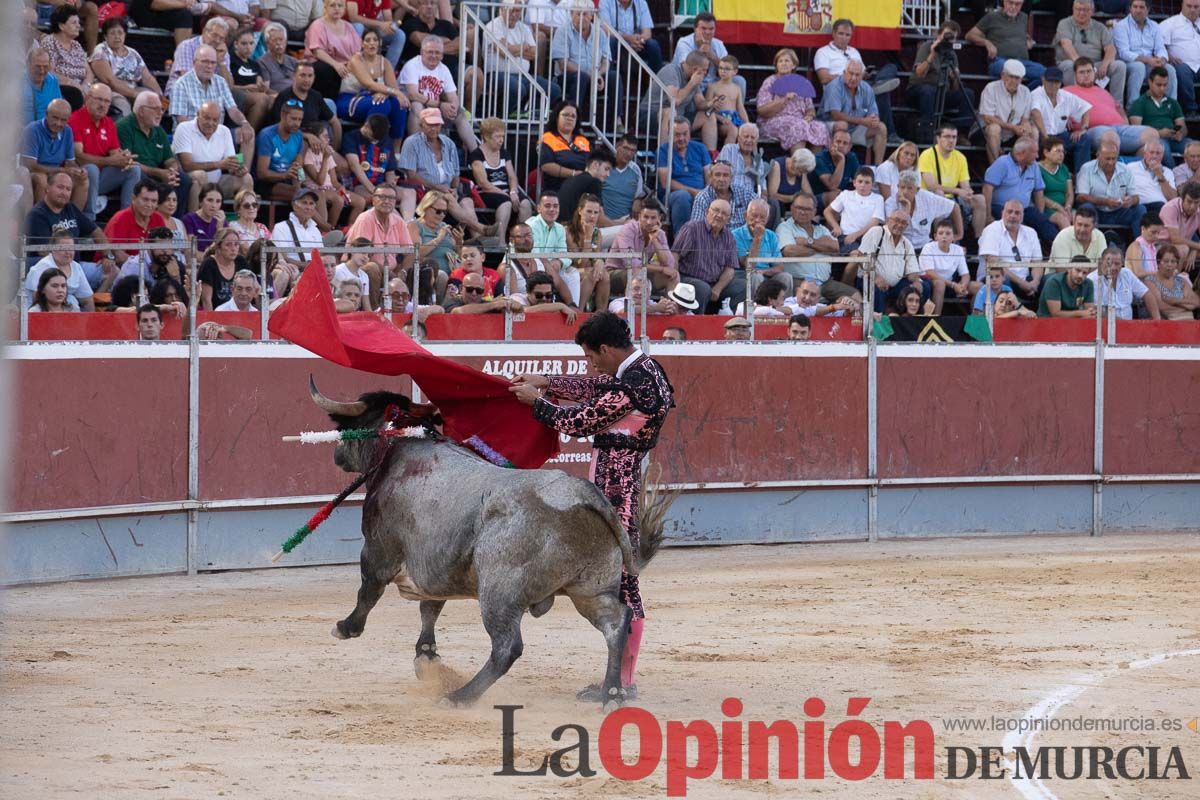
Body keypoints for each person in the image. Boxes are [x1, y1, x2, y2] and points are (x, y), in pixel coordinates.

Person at [509, 312, 674, 702]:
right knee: (621, 580)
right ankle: (620, 676)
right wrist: (548, 382)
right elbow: (595, 384)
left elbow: (581, 421)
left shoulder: (633, 386)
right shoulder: (643, 369)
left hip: (615, 489)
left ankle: (621, 680)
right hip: (620, 480)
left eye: (591, 355)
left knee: (621, 582)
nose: (591, 364)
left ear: (604, 348)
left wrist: (538, 402)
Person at [399, 107, 493, 240]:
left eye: (437, 125)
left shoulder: (449, 143)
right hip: (425, 189)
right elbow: (411, 175)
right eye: (430, 124)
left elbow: (455, 173)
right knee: (448, 198)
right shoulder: (411, 143)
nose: (434, 128)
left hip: (447, 189)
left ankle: (477, 242)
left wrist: (454, 188)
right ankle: (481, 228)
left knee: (467, 202)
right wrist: (436, 187)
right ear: (421, 125)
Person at [169, 45, 257, 165]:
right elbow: (182, 122)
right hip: (192, 136)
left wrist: (245, 123)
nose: (209, 66)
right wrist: (204, 134)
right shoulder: (181, 84)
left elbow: (233, 110)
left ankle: (241, 170)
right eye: (205, 62)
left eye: (213, 63)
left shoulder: (220, 82)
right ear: (194, 62)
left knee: (248, 134)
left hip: (216, 134)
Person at [813, 18, 899, 135]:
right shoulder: (823, 52)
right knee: (882, 93)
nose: (844, 38)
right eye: (841, 34)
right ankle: (891, 132)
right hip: (839, 91)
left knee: (891, 67)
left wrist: (864, 74)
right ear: (833, 33)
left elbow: (862, 73)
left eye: (847, 35)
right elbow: (824, 78)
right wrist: (848, 77)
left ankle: (878, 83)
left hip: (860, 88)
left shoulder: (854, 52)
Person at [69, 83, 141, 219]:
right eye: (99, 99)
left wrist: (124, 159)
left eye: (107, 101)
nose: (103, 105)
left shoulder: (108, 123)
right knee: (91, 169)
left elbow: (115, 153)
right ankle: (89, 220)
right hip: (80, 178)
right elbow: (79, 157)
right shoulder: (75, 119)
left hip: (101, 178)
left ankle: (126, 218)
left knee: (134, 168)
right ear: (87, 99)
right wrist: (109, 161)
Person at [1066, 57, 1156, 160]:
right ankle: (1118, 167)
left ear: (1094, 72)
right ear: (1075, 75)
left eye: (1089, 71)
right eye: (1081, 72)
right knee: (1110, 137)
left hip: (1119, 128)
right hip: (1094, 130)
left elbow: (1118, 107)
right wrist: (1065, 117)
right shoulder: (1068, 91)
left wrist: (1124, 120)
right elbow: (1056, 108)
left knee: (1152, 135)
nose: (1086, 75)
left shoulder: (1102, 91)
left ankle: (1134, 168)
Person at [172, 101, 254, 210]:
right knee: (200, 176)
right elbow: (187, 165)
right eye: (207, 118)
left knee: (246, 178)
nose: (210, 123)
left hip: (217, 183)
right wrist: (219, 164)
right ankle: (194, 222)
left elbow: (231, 164)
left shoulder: (224, 131)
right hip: (190, 181)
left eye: (215, 120)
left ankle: (241, 222)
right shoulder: (184, 128)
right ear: (198, 114)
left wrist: (237, 169)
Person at [399, 36, 476, 150]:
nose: (434, 56)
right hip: (409, 106)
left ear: (442, 55)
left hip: (433, 106)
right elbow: (412, 94)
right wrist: (440, 105)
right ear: (421, 52)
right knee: (417, 105)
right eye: (430, 52)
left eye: (437, 53)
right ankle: (415, 150)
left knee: (459, 113)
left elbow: (453, 96)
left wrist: (453, 107)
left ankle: (476, 154)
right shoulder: (413, 65)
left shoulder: (443, 69)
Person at [847, 209, 927, 314]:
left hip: (894, 285)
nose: (899, 225)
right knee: (876, 290)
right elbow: (862, 259)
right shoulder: (876, 232)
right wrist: (876, 277)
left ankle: (907, 321)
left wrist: (916, 281)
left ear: (907, 226)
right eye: (896, 220)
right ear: (888, 220)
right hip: (869, 280)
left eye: (903, 223)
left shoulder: (906, 244)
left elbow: (912, 273)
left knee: (925, 287)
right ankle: (878, 324)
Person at [777, 193, 856, 299]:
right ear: (791, 208)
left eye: (807, 209)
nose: (802, 212)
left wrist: (808, 242)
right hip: (799, 282)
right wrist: (819, 248)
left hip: (825, 283)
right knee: (810, 300)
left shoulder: (822, 229)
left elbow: (835, 247)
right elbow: (789, 251)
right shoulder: (784, 227)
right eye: (799, 208)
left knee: (856, 296)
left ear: (814, 211)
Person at [336, 28, 409, 142]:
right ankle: (367, 143)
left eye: (375, 40)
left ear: (380, 43)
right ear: (361, 43)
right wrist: (392, 92)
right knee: (380, 103)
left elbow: (393, 88)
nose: (372, 43)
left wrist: (386, 93)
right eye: (367, 40)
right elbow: (369, 84)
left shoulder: (385, 62)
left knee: (398, 103)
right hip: (350, 98)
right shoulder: (356, 60)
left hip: (371, 98)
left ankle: (396, 151)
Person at [345, 183, 414, 303]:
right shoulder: (365, 219)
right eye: (382, 197)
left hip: (392, 271)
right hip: (360, 268)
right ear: (373, 200)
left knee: (427, 268)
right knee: (372, 268)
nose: (387, 201)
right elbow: (363, 256)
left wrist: (402, 272)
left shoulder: (398, 221)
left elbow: (410, 252)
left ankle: (417, 310)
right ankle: (373, 312)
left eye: (391, 198)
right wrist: (390, 274)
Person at [983, 137, 1060, 243]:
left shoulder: (1034, 167)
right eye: (1034, 152)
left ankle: (1060, 251)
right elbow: (987, 189)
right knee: (1012, 224)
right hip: (1002, 208)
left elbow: (1038, 192)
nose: (1037, 156)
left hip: (1025, 208)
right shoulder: (1002, 163)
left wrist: (1040, 214)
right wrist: (987, 215)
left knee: (1044, 224)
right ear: (1021, 153)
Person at [918, 124, 988, 239]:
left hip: (953, 197)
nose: (951, 140)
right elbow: (931, 186)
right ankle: (940, 239)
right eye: (947, 137)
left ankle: (978, 241)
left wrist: (968, 192)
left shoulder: (960, 157)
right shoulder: (927, 155)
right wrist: (958, 191)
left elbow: (965, 185)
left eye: (954, 137)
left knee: (980, 199)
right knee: (939, 194)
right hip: (930, 198)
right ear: (938, 138)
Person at [21, 99, 90, 212]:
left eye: (63, 120)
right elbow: (31, 166)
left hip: (55, 173)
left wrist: (77, 171)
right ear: (46, 114)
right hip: (33, 173)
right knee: (41, 178)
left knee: (82, 180)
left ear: (68, 119)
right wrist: (63, 170)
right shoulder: (32, 130)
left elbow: (70, 162)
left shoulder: (67, 131)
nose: (58, 123)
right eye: (55, 118)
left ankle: (73, 221)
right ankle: (43, 220)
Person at [1056, 0, 1127, 108]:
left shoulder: (1099, 27)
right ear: (1073, 9)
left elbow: (1110, 48)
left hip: (1094, 65)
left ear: (1092, 11)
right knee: (1069, 65)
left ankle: (1117, 107)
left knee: (1119, 66)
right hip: (1072, 63)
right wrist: (1080, 64)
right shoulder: (1064, 23)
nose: (1081, 13)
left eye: (1085, 10)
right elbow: (1066, 44)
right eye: (1078, 9)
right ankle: (1075, 106)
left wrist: (1105, 63)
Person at [674, 198, 741, 312]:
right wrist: (675, 282)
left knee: (742, 286)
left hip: (715, 282)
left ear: (729, 219)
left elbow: (730, 269)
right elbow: (675, 255)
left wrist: (718, 288)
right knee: (703, 288)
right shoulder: (692, 228)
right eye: (715, 210)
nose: (719, 215)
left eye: (724, 214)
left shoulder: (729, 237)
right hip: (688, 278)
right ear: (707, 212)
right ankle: (697, 323)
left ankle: (734, 323)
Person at [908, 21, 977, 130]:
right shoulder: (927, 47)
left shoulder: (952, 54)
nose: (948, 39)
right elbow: (919, 74)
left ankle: (963, 133)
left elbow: (954, 88)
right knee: (928, 91)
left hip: (942, 93)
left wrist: (955, 78)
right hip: (920, 91)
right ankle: (928, 133)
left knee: (968, 93)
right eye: (946, 35)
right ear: (939, 35)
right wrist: (932, 54)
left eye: (952, 37)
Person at [755, 48, 827, 153]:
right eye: (780, 61)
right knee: (797, 126)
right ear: (777, 65)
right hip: (773, 121)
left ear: (793, 65)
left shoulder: (801, 83)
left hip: (800, 121)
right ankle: (799, 164)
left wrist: (809, 116)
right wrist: (784, 99)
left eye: (787, 61)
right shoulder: (770, 82)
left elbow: (810, 108)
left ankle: (814, 165)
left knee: (820, 127)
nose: (783, 64)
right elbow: (762, 111)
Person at [89, 16, 162, 118]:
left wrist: (160, 95)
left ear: (125, 35)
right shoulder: (101, 50)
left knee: (151, 101)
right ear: (105, 36)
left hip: (133, 89)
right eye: (112, 33)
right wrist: (135, 94)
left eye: (120, 33)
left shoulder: (133, 53)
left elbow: (147, 78)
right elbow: (111, 81)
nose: (117, 36)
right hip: (111, 91)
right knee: (123, 106)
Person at [117, 93, 185, 202]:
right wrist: (160, 173)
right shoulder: (124, 127)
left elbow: (170, 159)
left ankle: (172, 218)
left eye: (162, 109)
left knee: (183, 179)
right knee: (140, 175)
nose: (160, 113)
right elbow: (128, 163)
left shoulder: (158, 130)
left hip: (156, 173)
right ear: (141, 111)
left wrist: (172, 170)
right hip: (136, 173)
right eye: (156, 109)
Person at [819, 59, 887, 165]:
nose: (854, 78)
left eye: (857, 75)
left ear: (862, 76)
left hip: (855, 127)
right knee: (843, 124)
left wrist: (874, 119)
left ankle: (879, 169)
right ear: (844, 73)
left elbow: (873, 113)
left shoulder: (867, 88)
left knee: (880, 128)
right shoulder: (834, 86)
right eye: (851, 73)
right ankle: (837, 164)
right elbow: (835, 115)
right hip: (830, 126)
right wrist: (863, 121)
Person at [977, 199, 1046, 300]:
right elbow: (995, 265)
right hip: (997, 278)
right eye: (1009, 211)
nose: (1013, 215)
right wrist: (1022, 283)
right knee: (1002, 281)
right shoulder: (992, 230)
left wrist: (1035, 282)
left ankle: (1042, 315)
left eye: (1017, 213)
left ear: (1022, 216)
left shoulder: (1031, 233)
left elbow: (1037, 263)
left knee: (1049, 281)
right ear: (1002, 213)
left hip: (1025, 280)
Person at [1115, 0, 1177, 110]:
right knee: (1139, 67)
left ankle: (1170, 108)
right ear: (1130, 8)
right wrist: (1147, 60)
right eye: (1135, 7)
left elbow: (1160, 48)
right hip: (1130, 63)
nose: (1138, 10)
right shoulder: (1121, 26)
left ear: (1148, 9)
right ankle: (1132, 108)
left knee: (1170, 69)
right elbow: (1123, 53)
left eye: (1141, 7)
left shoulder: (1154, 26)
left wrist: (1161, 60)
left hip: (1151, 64)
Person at [605, 200, 677, 293]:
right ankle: (637, 307)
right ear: (639, 217)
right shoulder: (627, 229)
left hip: (640, 273)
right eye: (646, 217)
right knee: (638, 272)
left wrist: (655, 240)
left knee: (673, 275)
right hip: (614, 273)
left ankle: (669, 307)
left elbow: (669, 263)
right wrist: (662, 269)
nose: (649, 222)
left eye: (653, 218)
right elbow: (630, 262)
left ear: (659, 218)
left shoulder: (660, 234)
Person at [966, 0, 1045, 84]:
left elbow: (1023, 34)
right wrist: (987, 42)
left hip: (1022, 62)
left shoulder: (1024, 17)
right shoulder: (992, 17)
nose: (1013, 7)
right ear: (1004, 2)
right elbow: (970, 35)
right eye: (1010, 3)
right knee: (1008, 68)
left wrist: (1029, 40)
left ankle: (1024, 95)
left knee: (1045, 74)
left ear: (1022, 5)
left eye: (1017, 4)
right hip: (1000, 61)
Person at [1030, 67, 1092, 174]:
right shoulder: (1036, 94)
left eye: (1056, 82)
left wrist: (1083, 129)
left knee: (1084, 139)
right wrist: (1046, 137)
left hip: (1060, 136)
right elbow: (1036, 113)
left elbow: (1086, 109)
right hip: (1041, 136)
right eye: (1050, 81)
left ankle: (1081, 178)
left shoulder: (1066, 96)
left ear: (1061, 83)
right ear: (1043, 80)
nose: (1053, 85)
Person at [1076, 143, 1147, 236]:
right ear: (1098, 156)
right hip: (1096, 211)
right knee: (1086, 208)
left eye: (1114, 159)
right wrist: (1105, 201)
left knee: (1140, 209)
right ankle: (1092, 244)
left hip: (1119, 212)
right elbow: (1081, 197)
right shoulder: (1087, 168)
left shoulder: (1125, 170)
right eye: (1107, 159)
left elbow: (1136, 197)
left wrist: (1130, 201)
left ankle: (1140, 245)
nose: (1111, 162)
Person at [656, 117, 710, 231]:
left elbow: (709, 175)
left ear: (690, 133)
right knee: (682, 197)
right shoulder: (664, 150)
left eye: (685, 134)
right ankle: (682, 242)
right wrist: (693, 192)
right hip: (674, 195)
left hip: (701, 193)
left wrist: (706, 193)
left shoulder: (700, 148)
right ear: (669, 134)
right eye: (677, 134)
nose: (681, 138)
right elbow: (665, 183)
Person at [885, 170, 962, 249]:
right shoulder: (891, 203)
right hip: (900, 247)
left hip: (925, 247)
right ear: (898, 187)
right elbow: (894, 231)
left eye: (909, 188)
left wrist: (959, 234)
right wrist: (907, 208)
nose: (905, 191)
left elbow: (954, 206)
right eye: (902, 187)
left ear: (917, 190)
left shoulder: (927, 198)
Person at [1128, 66, 1188, 164]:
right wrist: (1159, 133)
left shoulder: (1172, 103)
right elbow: (1137, 130)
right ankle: (1171, 177)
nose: (1162, 88)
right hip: (1154, 140)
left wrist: (1180, 133)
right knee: (1164, 151)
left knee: (1194, 146)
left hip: (1174, 139)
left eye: (1165, 85)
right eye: (1158, 85)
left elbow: (1183, 126)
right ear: (1150, 82)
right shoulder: (1139, 103)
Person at [306, 0, 362, 100]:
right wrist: (335, 64)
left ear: (344, 9)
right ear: (325, 7)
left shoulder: (349, 26)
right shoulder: (318, 25)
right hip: (325, 63)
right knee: (326, 69)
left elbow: (357, 51)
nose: (336, 8)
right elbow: (317, 51)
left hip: (347, 65)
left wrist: (351, 66)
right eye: (332, 5)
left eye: (340, 5)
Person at [26, 230, 97, 310]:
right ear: (53, 249)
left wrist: (91, 320)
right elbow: (36, 298)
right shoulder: (41, 267)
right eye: (63, 248)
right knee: (70, 300)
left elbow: (87, 299)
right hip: (38, 311)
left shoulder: (76, 267)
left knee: (72, 302)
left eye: (71, 248)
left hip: (64, 310)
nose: (67, 252)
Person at [40, 5, 93, 109]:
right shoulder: (49, 43)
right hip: (62, 89)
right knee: (75, 95)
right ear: (61, 26)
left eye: (78, 22)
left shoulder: (76, 45)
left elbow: (89, 72)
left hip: (82, 88)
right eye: (74, 23)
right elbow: (50, 73)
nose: (78, 26)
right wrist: (73, 83)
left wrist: (86, 86)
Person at [981, 60, 1035, 163]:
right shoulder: (991, 88)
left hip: (1011, 133)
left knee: (1033, 131)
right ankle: (995, 170)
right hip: (984, 131)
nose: (1014, 81)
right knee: (994, 129)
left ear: (1021, 79)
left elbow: (1025, 119)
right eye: (1011, 77)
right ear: (1002, 75)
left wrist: (1025, 127)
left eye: (1017, 78)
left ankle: (1027, 168)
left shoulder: (1025, 92)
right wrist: (1013, 127)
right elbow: (988, 118)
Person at [255, 99, 306, 204]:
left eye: (300, 120)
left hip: (287, 182)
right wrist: (284, 175)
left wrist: (301, 182)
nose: (297, 123)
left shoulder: (298, 135)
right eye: (293, 119)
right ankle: (324, 222)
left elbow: (299, 167)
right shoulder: (267, 135)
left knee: (315, 194)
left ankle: (325, 221)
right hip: (266, 184)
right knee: (303, 196)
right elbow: (262, 173)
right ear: (282, 115)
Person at [409, 190, 461, 294]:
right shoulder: (415, 226)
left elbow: (458, 255)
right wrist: (438, 238)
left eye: (445, 212)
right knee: (441, 276)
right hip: (428, 273)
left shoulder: (444, 226)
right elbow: (416, 253)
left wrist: (459, 243)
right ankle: (440, 309)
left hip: (453, 272)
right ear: (426, 208)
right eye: (438, 211)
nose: (442, 215)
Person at [733, 198, 788, 296]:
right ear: (746, 215)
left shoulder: (771, 236)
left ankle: (782, 309)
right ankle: (756, 309)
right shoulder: (736, 235)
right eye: (754, 216)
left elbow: (780, 266)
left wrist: (764, 271)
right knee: (756, 276)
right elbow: (748, 266)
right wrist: (757, 239)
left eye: (762, 217)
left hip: (765, 274)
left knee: (785, 277)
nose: (757, 220)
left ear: (767, 220)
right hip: (744, 274)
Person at [270, 187, 324, 285]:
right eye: (304, 203)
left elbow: (321, 256)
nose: (308, 207)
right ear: (295, 206)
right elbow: (283, 257)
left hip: (315, 271)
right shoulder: (281, 227)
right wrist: (306, 265)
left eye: (311, 204)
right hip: (295, 271)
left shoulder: (315, 230)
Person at [823, 167, 885, 254]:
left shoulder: (878, 198)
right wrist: (835, 226)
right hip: (846, 236)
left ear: (872, 185)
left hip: (868, 237)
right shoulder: (846, 195)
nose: (863, 185)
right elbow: (827, 211)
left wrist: (855, 235)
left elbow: (875, 221)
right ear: (854, 183)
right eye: (860, 181)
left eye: (867, 182)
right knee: (856, 255)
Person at [564, 193, 609, 310]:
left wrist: (599, 261)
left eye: (596, 212)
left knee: (604, 275)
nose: (592, 216)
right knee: (591, 274)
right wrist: (588, 237)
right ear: (580, 211)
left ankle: (601, 314)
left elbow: (596, 256)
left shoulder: (597, 232)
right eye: (589, 211)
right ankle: (579, 310)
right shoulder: (568, 231)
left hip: (586, 269)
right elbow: (580, 263)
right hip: (569, 270)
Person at [1089, 245, 1160, 319]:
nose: (1113, 267)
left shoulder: (1127, 273)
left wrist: (1157, 320)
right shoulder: (1092, 280)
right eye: (1109, 263)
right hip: (1104, 327)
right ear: (1101, 262)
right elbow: (1094, 311)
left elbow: (1147, 294)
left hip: (1129, 326)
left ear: (1122, 264)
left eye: (1117, 264)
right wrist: (1120, 322)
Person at [104, 179, 167, 262]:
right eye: (145, 200)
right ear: (134, 199)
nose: (149, 205)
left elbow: (165, 249)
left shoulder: (158, 218)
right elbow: (118, 254)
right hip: (118, 268)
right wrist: (143, 266)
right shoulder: (121, 218)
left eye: (154, 201)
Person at [918, 219, 971, 314]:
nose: (944, 236)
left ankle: (975, 323)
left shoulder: (958, 250)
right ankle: (935, 321)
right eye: (941, 233)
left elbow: (965, 274)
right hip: (929, 283)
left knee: (978, 286)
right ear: (935, 236)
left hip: (950, 285)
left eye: (948, 233)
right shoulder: (928, 247)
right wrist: (954, 285)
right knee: (940, 284)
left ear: (953, 237)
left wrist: (963, 287)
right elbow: (930, 273)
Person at [1158, 0, 1200, 118]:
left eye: (1196, 7)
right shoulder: (1169, 24)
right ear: (1182, 5)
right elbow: (1158, 45)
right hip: (1182, 65)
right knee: (1181, 71)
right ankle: (1191, 109)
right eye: (1189, 6)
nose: (1192, 9)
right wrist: (1169, 56)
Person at [539, 100, 592, 193]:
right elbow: (546, 166)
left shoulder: (583, 140)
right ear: (557, 117)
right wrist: (574, 174)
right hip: (557, 190)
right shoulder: (547, 137)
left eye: (573, 116)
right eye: (566, 115)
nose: (569, 118)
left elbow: (591, 163)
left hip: (582, 189)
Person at [699, 55, 748, 151]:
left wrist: (747, 123)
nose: (722, 71)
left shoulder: (737, 88)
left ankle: (748, 158)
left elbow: (740, 108)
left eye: (727, 69)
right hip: (720, 121)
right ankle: (725, 157)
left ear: (735, 71)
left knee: (747, 132)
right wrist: (721, 118)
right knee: (733, 130)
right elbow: (708, 108)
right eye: (720, 68)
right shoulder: (712, 87)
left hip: (735, 119)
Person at [599, 0, 662, 72]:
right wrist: (628, 39)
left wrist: (638, 40)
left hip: (636, 45)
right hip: (617, 44)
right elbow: (606, 31)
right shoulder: (605, 2)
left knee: (653, 45)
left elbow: (647, 33)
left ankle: (655, 80)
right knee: (610, 42)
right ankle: (610, 79)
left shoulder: (641, 3)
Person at [689, 160, 753, 229]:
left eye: (725, 175)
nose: (721, 179)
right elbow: (696, 228)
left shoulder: (744, 193)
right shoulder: (703, 197)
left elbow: (761, 207)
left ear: (731, 178)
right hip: (714, 238)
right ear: (710, 177)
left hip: (741, 238)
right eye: (717, 175)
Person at [199, 228, 252, 309]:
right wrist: (211, 320)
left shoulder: (241, 262)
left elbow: (254, 288)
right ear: (218, 247)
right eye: (228, 245)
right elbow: (206, 300)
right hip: (217, 314)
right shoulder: (209, 264)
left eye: (236, 244)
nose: (233, 248)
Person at [1143, 243, 1200, 318]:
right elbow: (1160, 306)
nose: (1169, 265)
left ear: (1177, 264)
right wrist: (1185, 307)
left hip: (1187, 321)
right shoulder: (1150, 281)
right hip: (1166, 322)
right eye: (1166, 261)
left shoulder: (1181, 281)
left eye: (1173, 261)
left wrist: (1173, 301)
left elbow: (1197, 302)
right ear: (1158, 263)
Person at [603, 135, 645, 223]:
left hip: (626, 222)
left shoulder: (636, 170)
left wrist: (638, 200)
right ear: (617, 146)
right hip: (604, 221)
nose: (629, 153)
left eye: (633, 150)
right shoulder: (604, 167)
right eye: (626, 148)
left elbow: (638, 195)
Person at [1128, 139, 1177, 215]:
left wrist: (1160, 175)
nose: (1154, 156)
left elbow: (1173, 198)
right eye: (1151, 152)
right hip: (1141, 207)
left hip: (1162, 208)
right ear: (1145, 154)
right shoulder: (1131, 168)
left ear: (1162, 155)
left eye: (1158, 153)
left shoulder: (1168, 172)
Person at [1159, 180, 1200, 270]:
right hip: (1160, 244)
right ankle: (1176, 280)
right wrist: (1197, 246)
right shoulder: (1171, 208)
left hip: (1184, 245)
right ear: (1182, 198)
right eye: (1189, 201)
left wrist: (1195, 249)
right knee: (1183, 249)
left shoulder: (1198, 211)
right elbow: (1175, 239)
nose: (1192, 206)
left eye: (1196, 202)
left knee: (1186, 249)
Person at [717, 123, 765, 200]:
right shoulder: (729, 150)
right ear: (739, 138)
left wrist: (763, 200)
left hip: (751, 200)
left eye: (753, 138)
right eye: (746, 136)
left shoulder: (759, 160)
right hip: (730, 196)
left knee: (772, 203)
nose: (749, 140)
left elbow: (763, 188)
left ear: (756, 141)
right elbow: (718, 177)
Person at [814, 127, 859, 207]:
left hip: (840, 194)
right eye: (838, 142)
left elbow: (859, 180)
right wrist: (841, 160)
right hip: (815, 199)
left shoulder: (851, 157)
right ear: (831, 143)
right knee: (836, 196)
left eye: (845, 143)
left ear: (849, 147)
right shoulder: (820, 158)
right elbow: (832, 186)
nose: (841, 145)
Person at [1038, 137, 1076, 231]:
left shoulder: (1064, 169)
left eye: (1063, 152)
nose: (1061, 155)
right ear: (1046, 152)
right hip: (1047, 207)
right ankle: (1069, 245)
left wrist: (1068, 207)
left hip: (1064, 206)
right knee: (1062, 219)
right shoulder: (1037, 169)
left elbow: (1069, 193)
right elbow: (1039, 195)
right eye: (1058, 151)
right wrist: (1058, 207)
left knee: (1079, 217)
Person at [447, 271, 522, 314]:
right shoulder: (452, 302)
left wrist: (511, 304)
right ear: (460, 288)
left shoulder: (486, 304)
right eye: (470, 289)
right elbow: (459, 312)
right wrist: (495, 304)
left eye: (479, 290)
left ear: (483, 292)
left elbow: (518, 309)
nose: (474, 293)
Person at [129, 0, 194, 47]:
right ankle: (182, 59)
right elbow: (155, 4)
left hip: (167, 14)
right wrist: (184, 4)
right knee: (184, 16)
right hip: (146, 15)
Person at [182, 183, 226, 253]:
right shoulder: (189, 219)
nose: (214, 205)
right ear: (201, 202)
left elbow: (225, 252)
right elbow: (192, 252)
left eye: (218, 201)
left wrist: (220, 229)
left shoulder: (222, 221)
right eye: (210, 200)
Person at [256, 22, 299, 93]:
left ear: (286, 41)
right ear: (267, 43)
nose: (278, 43)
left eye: (281, 39)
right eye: (274, 40)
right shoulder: (262, 62)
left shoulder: (293, 61)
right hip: (278, 97)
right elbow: (266, 90)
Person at [24, 49, 62, 124]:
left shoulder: (52, 80)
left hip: (48, 130)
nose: (42, 71)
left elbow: (58, 109)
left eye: (45, 67)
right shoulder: (17, 83)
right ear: (28, 64)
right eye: (38, 66)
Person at [1124, 210, 1166, 277]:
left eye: (1158, 233)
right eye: (1153, 232)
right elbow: (1138, 273)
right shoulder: (1136, 246)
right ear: (1143, 228)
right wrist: (1161, 273)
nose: (1156, 236)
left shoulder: (1153, 247)